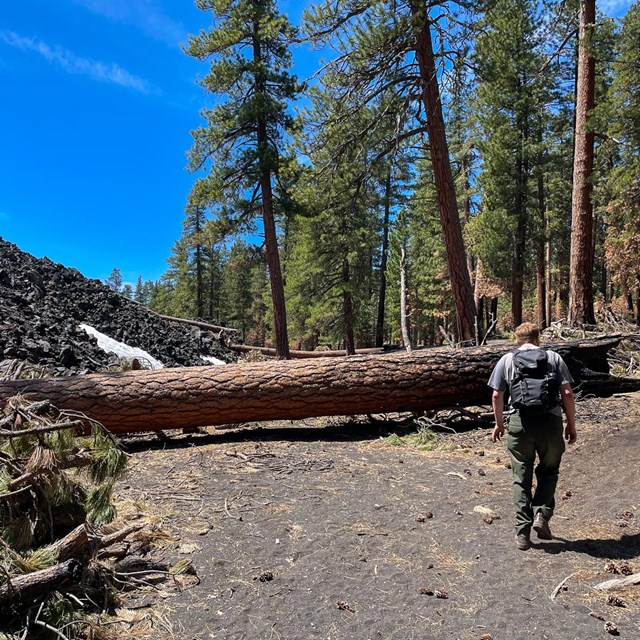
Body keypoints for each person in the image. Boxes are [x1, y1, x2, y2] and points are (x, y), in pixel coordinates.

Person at [488, 322, 577, 551]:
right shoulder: (553, 358)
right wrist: (570, 425)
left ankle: (522, 533)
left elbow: (497, 395)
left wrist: (499, 425)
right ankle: (542, 514)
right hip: (550, 423)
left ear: (517, 340)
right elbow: (567, 392)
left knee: (521, 477)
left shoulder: (507, 360)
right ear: (538, 338)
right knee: (549, 471)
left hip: (520, 424)